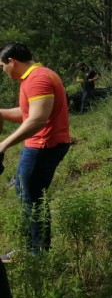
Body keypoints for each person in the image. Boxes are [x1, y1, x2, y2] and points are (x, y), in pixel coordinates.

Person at [0, 43, 72, 254]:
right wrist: (2, 112)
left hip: (44, 145)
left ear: (12, 62)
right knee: (26, 193)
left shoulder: (37, 79)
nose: (3, 71)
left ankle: (37, 254)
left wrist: (4, 144)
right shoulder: (37, 76)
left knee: (32, 198)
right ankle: (30, 248)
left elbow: (38, 119)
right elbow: (28, 114)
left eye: (2, 66)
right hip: (42, 144)